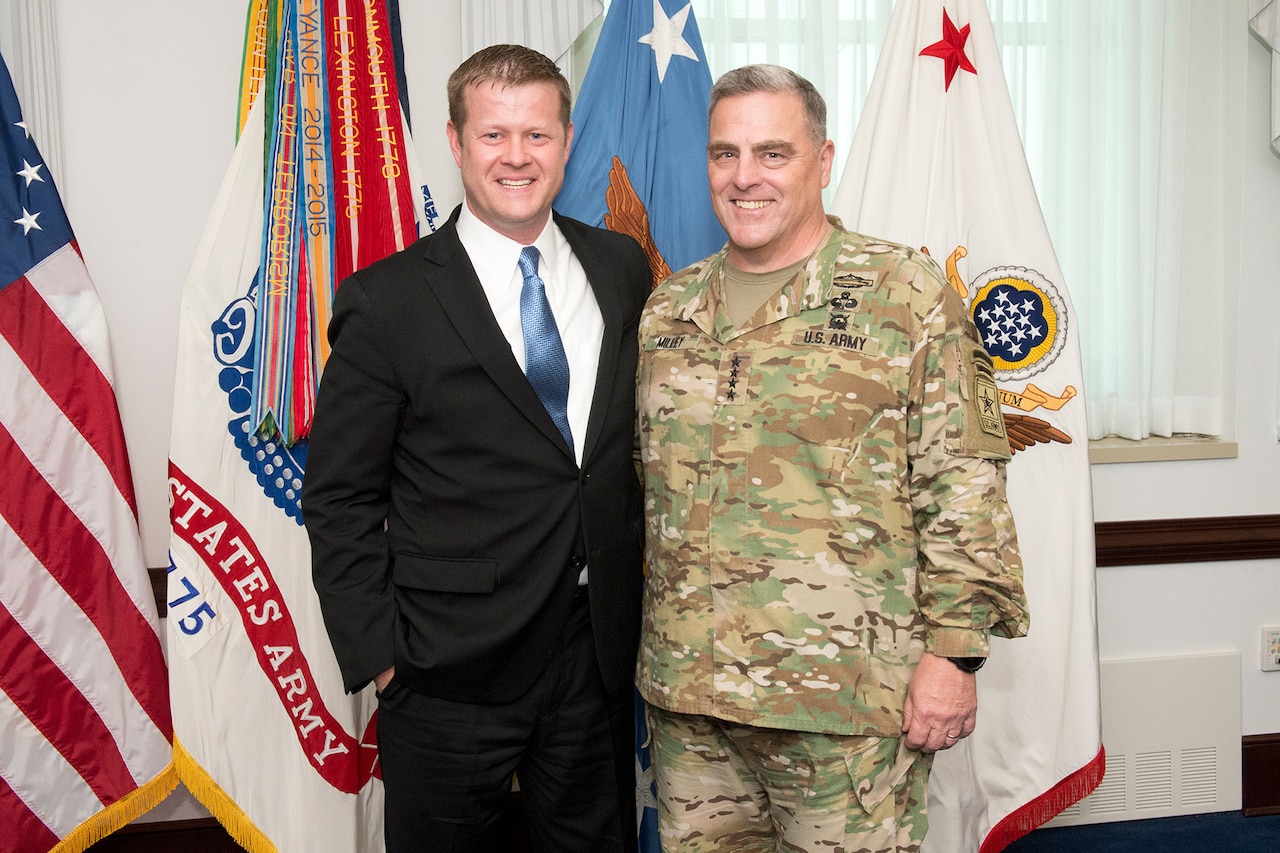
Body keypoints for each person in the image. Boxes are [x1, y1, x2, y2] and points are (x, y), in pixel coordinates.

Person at [635, 64, 1030, 853]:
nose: (744, 177)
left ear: (823, 159)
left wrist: (956, 655)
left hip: (843, 704)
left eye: (772, 153)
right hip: (694, 701)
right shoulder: (668, 310)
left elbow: (962, 483)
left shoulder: (902, 292)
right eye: (725, 153)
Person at [303, 44, 650, 853]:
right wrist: (383, 658)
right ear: (456, 144)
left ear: (566, 141)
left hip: (593, 655)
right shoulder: (386, 300)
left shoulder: (621, 266)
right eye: (494, 136)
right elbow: (340, 496)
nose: (517, 157)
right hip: (446, 668)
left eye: (537, 134)